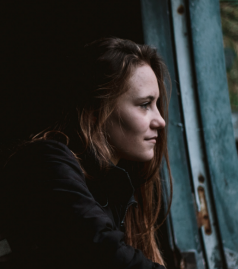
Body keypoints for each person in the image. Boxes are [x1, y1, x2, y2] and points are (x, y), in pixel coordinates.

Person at [0, 38, 173, 269]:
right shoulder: (46, 161)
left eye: (157, 104)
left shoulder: (114, 185)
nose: (160, 121)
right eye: (144, 104)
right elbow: (103, 251)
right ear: (95, 110)